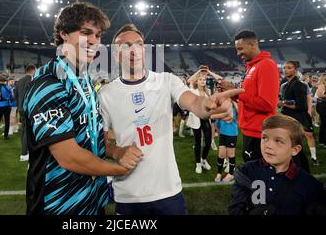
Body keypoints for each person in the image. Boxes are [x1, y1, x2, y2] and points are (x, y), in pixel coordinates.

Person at [98, 24, 243, 215]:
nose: (133, 50)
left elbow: (194, 103)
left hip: (167, 190)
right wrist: (117, 151)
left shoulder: (167, 81)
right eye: (125, 46)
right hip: (128, 193)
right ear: (116, 54)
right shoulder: (106, 94)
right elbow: (102, 141)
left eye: (138, 44)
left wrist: (208, 105)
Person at [22, 2, 133, 215]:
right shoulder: (48, 83)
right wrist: (119, 169)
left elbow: (91, 135)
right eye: (85, 33)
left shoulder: (84, 80)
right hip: (58, 203)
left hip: (91, 198)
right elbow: (68, 156)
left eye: (98, 35)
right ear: (64, 34)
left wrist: (117, 151)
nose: (93, 41)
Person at [229, 115, 326, 215]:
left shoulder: (309, 185)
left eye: (278, 141)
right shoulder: (246, 171)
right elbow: (235, 208)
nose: (268, 145)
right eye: (265, 138)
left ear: (295, 150)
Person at [219, 29, 279, 162]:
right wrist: (233, 93)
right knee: (254, 175)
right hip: (250, 130)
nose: (238, 53)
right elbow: (248, 96)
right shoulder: (252, 66)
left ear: (253, 44)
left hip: (259, 132)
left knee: (260, 179)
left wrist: (236, 92)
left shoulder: (266, 65)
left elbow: (267, 104)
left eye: (240, 48)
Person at [279, 61, 318, 167]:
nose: (285, 70)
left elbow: (301, 106)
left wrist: (282, 104)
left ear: (295, 70)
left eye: (289, 68)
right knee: (292, 142)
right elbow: (285, 100)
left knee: (304, 138)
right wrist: (282, 103)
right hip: (288, 116)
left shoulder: (299, 85)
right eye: (284, 68)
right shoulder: (285, 85)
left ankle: (312, 159)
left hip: (298, 117)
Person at [187, 72, 213, 174]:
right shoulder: (193, 91)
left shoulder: (208, 91)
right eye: (200, 80)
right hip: (196, 119)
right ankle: (198, 163)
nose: (203, 81)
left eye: (204, 80)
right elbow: (189, 80)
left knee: (208, 142)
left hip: (206, 119)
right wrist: (198, 72)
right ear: (197, 81)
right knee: (198, 142)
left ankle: (203, 159)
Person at [15, 64, 36, 162]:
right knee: (28, 131)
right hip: (29, 109)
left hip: (21, 108)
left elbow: (16, 95)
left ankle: (25, 152)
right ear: (33, 70)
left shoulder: (19, 81)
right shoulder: (33, 80)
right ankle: (24, 153)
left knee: (24, 130)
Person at [214, 102, 238, 183]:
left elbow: (229, 119)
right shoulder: (221, 108)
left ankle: (231, 174)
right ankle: (219, 173)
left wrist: (218, 115)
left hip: (232, 134)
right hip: (223, 134)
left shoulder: (233, 108)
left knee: (230, 154)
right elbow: (217, 123)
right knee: (221, 154)